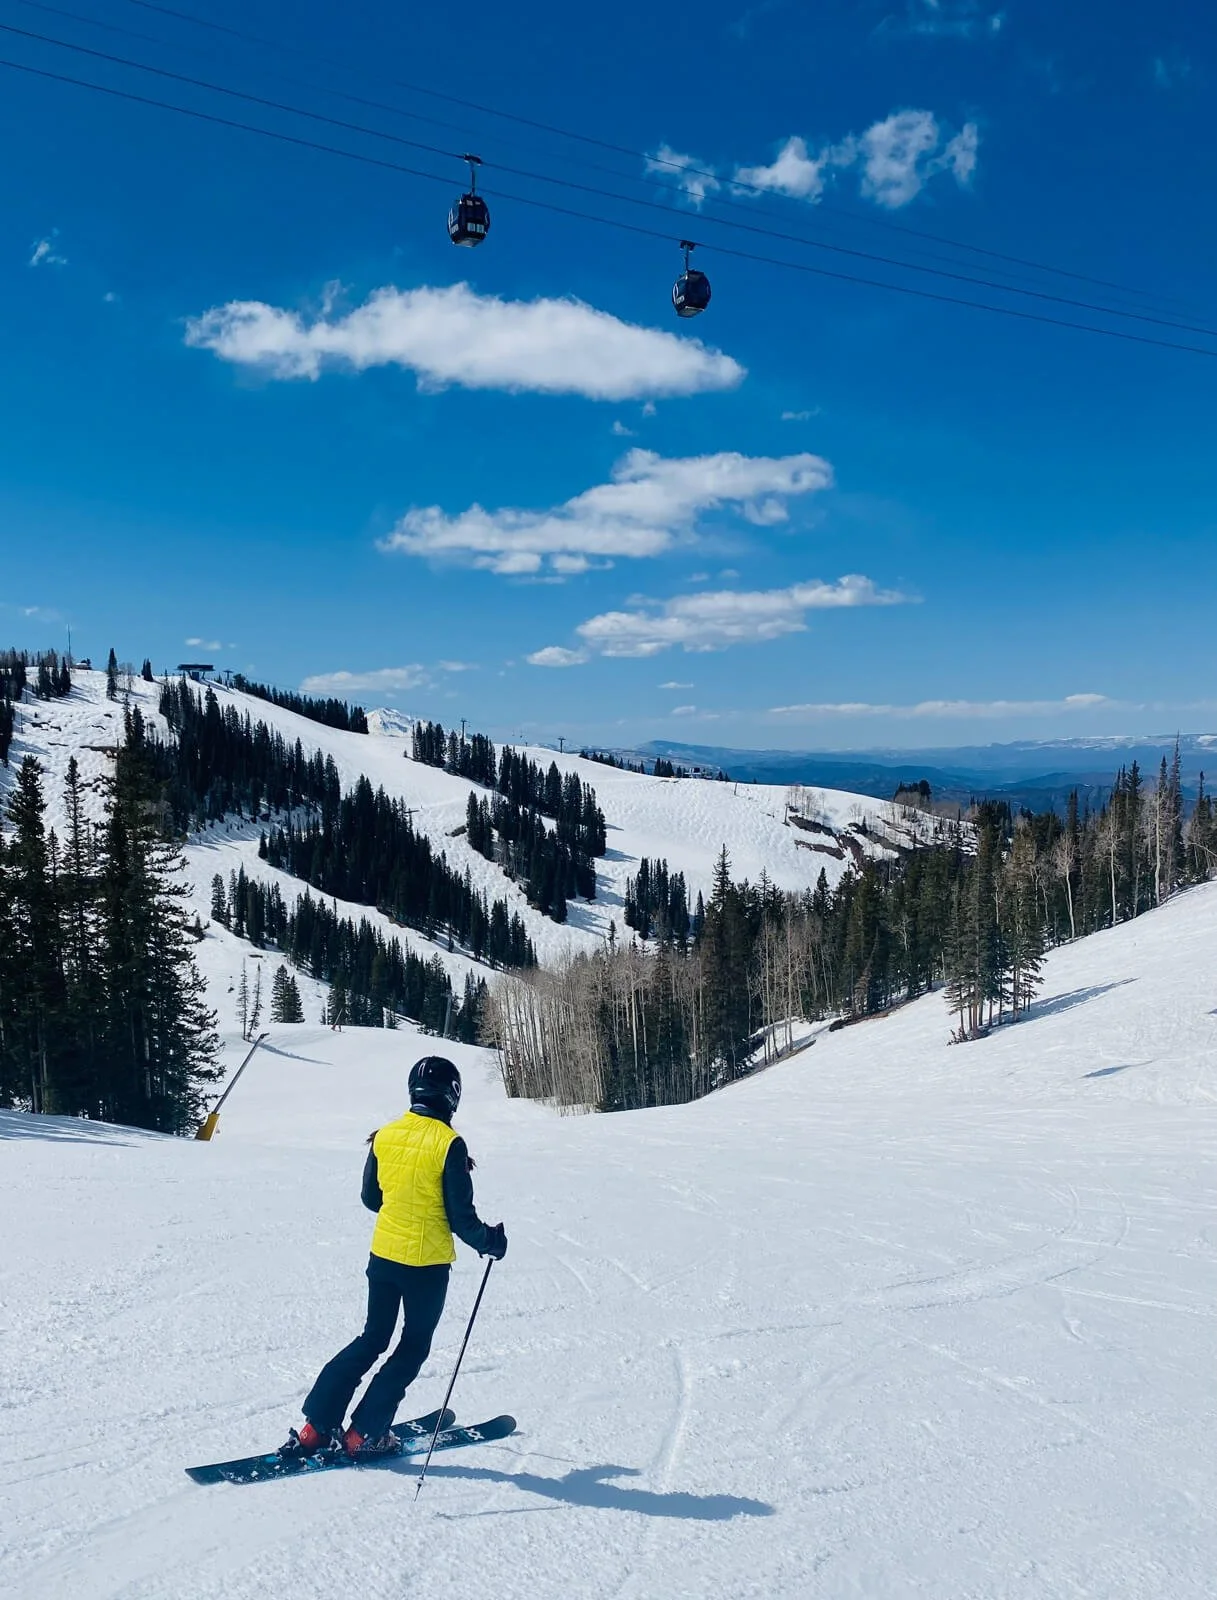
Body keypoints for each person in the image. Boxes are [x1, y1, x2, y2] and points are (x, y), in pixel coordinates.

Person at [280, 1055, 507, 1460]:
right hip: (426, 1266)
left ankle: (317, 1426)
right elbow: (462, 1219)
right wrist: (491, 1241)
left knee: (372, 1339)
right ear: (452, 1095)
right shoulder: (448, 1143)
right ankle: (363, 1434)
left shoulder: (385, 1135)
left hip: (383, 1257)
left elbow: (371, 1198)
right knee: (413, 1346)